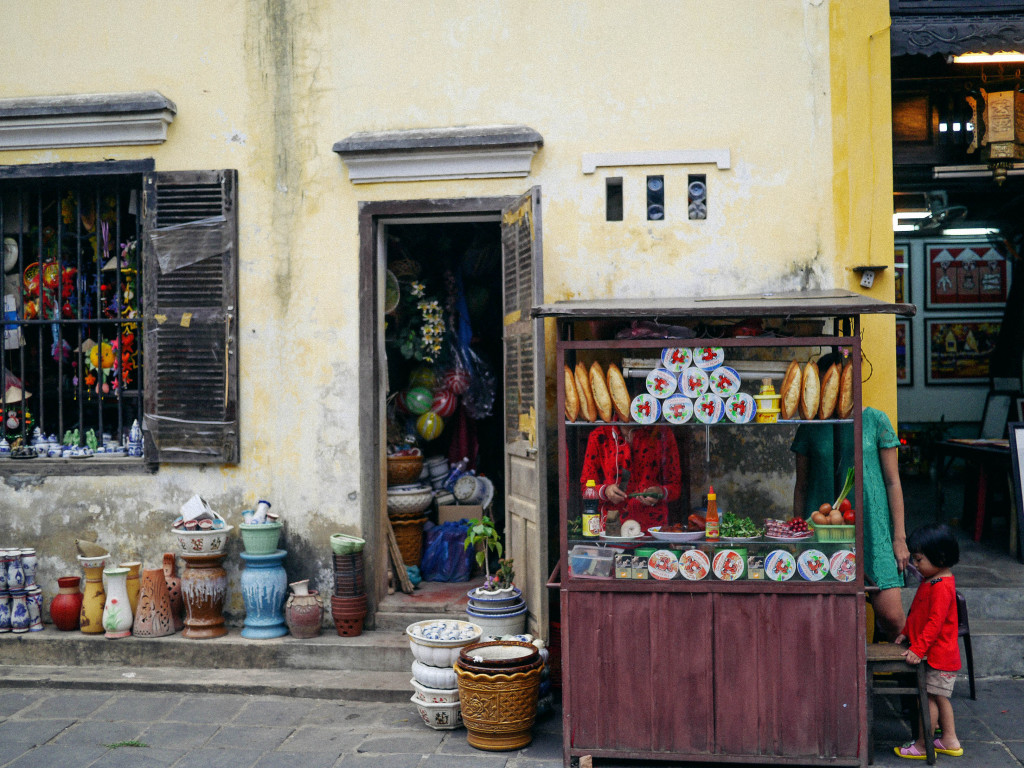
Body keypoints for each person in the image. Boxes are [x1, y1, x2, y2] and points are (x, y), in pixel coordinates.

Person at [792, 387, 909, 639]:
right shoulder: (810, 426)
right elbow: (801, 486)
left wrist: (899, 538)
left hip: (872, 528)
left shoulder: (876, 420)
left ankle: (906, 669)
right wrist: (797, 536)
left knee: (892, 617)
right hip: (824, 530)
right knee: (827, 621)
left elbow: (893, 482)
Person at [893, 523, 962, 760]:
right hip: (940, 653)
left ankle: (924, 744)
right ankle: (949, 739)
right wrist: (906, 632)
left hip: (939, 654)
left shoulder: (941, 586)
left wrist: (918, 648)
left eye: (919, 559)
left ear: (940, 558)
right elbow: (918, 613)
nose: (916, 564)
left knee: (929, 698)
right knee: (940, 698)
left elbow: (934, 624)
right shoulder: (931, 581)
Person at [579, 424, 681, 533]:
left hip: (653, 530)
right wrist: (605, 491)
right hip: (612, 529)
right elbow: (586, 487)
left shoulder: (661, 433)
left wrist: (660, 492)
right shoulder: (600, 435)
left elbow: (675, 486)